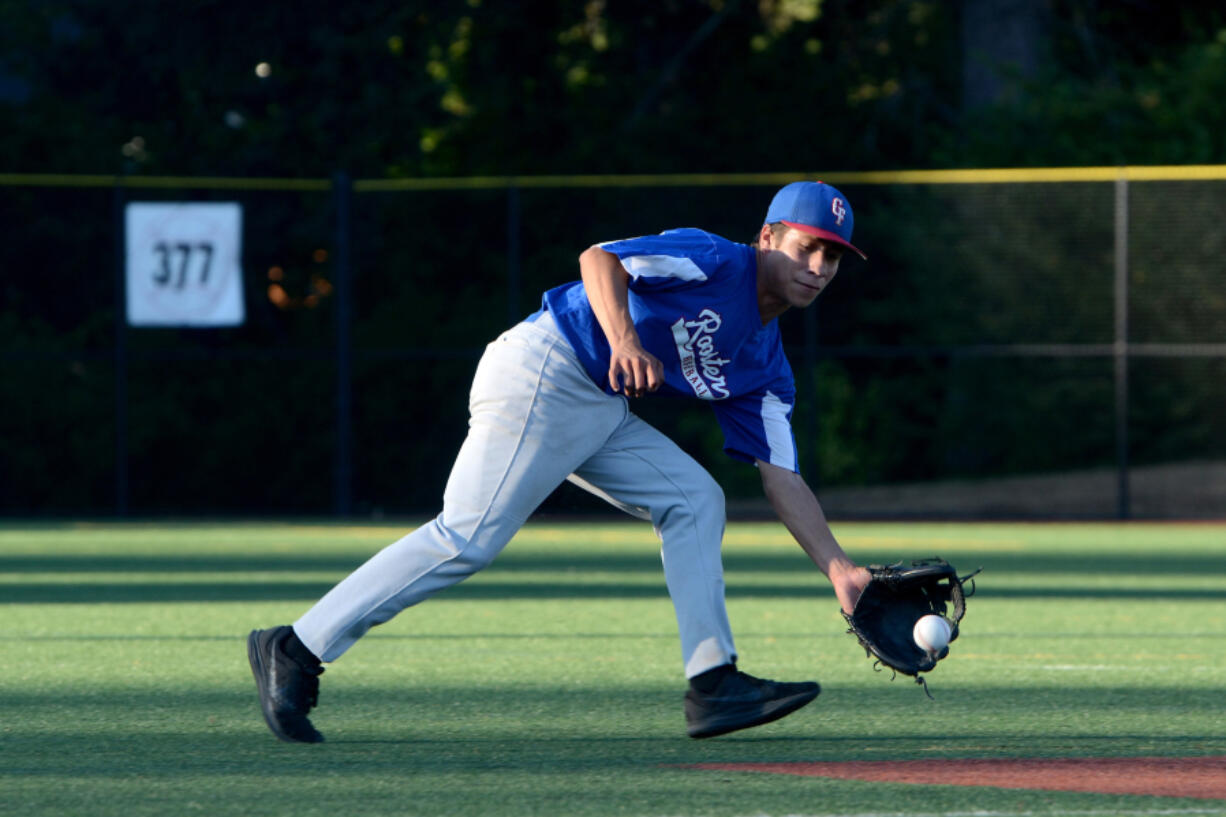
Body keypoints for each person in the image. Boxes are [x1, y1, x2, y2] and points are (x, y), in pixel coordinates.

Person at [248, 181, 873, 743]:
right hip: (545, 368)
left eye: (833, 257)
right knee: (465, 536)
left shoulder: (765, 368)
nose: (818, 267)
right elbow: (599, 258)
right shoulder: (716, 260)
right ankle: (298, 648)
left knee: (694, 500)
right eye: (805, 248)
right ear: (768, 237)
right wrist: (625, 339)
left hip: (597, 407)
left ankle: (713, 684)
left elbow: (781, 476)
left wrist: (839, 571)